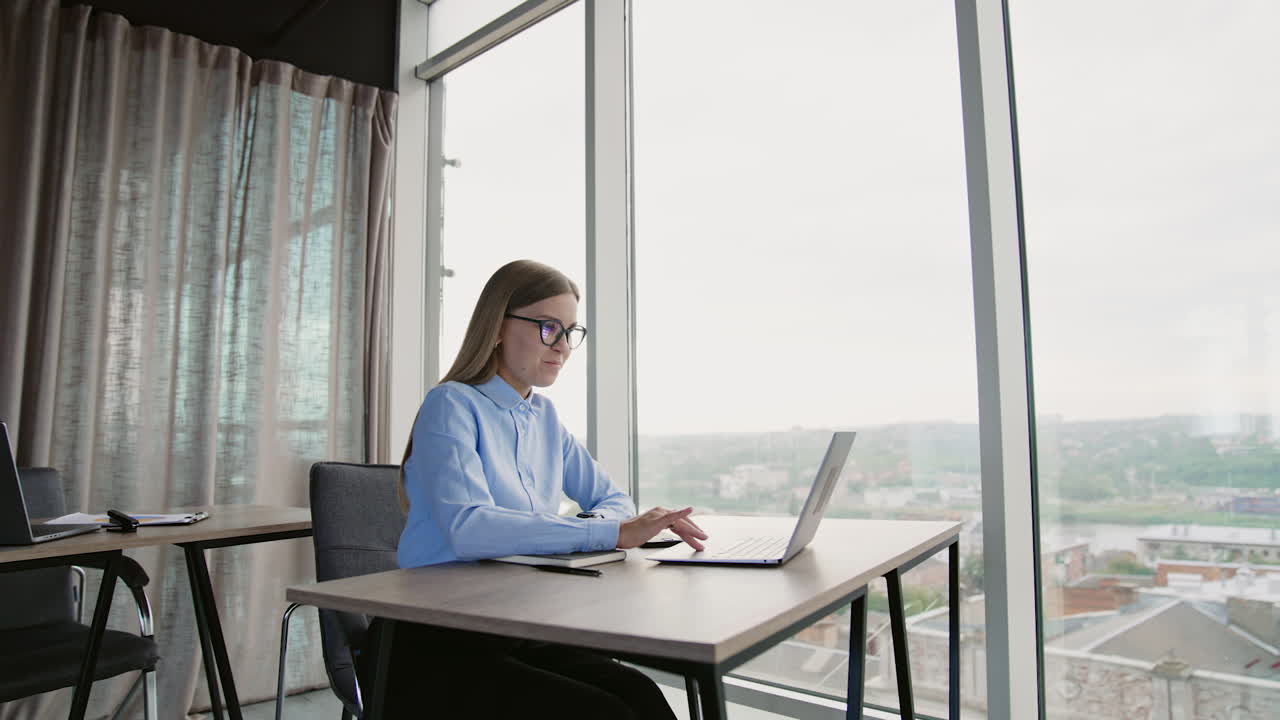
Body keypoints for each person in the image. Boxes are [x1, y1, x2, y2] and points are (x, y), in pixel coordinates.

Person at [359, 259, 708, 720]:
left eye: (570, 332)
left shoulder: (544, 417)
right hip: (432, 640)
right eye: (548, 328)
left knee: (641, 696)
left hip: (517, 625)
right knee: (606, 713)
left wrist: (606, 527)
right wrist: (605, 533)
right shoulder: (452, 405)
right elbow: (470, 529)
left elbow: (615, 502)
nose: (563, 346)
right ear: (499, 326)